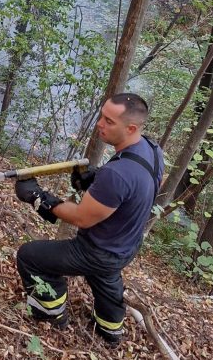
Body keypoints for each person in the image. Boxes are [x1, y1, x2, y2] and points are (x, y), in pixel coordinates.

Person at [13, 93, 164, 346]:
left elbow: (82, 218)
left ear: (131, 128)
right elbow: (141, 186)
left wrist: (39, 197)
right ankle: (110, 330)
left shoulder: (118, 175)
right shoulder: (152, 149)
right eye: (101, 116)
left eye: (109, 121)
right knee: (106, 274)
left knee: (30, 256)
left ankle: (50, 313)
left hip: (98, 250)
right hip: (126, 244)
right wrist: (97, 178)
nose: (100, 124)